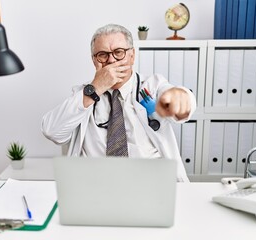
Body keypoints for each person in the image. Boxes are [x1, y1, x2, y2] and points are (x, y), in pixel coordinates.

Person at [41, 24, 196, 182]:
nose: (111, 60)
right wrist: (95, 88)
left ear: (132, 55)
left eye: (119, 52)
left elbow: (178, 103)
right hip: (96, 186)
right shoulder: (84, 95)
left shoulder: (151, 85)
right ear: (94, 60)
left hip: (148, 185)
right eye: (102, 55)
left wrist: (180, 97)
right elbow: (51, 131)